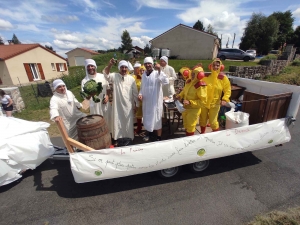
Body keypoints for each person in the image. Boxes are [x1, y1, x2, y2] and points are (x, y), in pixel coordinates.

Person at [103, 59, 139, 146]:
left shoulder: (131, 79)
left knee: (128, 122)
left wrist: (136, 104)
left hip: (128, 106)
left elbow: (135, 93)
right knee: (117, 121)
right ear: (119, 68)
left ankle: (129, 138)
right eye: (122, 67)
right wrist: (110, 65)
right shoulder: (114, 76)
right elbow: (106, 75)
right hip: (117, 106)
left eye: (125, 67)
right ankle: (119, 139)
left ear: (127, 68)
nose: (124, 69)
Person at [138, 57, 169, 141]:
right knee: (148, 118)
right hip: (146, 102)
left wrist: (159, 70)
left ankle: (159, 137)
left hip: (155, 102)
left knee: (157, 119)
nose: (148, 65)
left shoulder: (156, 73)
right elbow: (142, 87)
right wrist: (140, 94)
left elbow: (166, 82)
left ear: (152, 64)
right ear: (144, 65)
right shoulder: (144, 75)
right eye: (146, 63)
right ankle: (149, 134)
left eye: (149, 63)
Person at [199, 58, 231, 133]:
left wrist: (224, 99)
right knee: (202, 120)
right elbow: (195, 77)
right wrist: (198, 68)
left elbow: (227, 89)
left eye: (217, 65)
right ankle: (202, 133)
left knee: (213, 122)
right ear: (211, 66)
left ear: (221, 67)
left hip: (215, 103)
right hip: (204, 103)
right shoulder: (206, 76)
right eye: (214, 65)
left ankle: (216, 136)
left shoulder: (223, 78)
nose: (215, 67)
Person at [174, 67, 207, 136]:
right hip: (185, 108)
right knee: (186, 125)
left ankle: (190, 141)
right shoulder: (189, 82)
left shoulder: (200, 86)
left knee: (191, 127)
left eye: (194, 74)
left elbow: (203, 102)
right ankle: (187, 137)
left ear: (199, 75)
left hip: (193, 110)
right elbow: (184, 91)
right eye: (192, 73)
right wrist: (179, 96)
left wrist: (190, 102)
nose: (192, 75)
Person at [81, 59, 110, 129]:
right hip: (94, 106)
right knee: (97, 124)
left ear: (95, 67)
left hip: (104, 104)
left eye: (92, 66)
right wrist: (91, 94)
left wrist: (107, 96)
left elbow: (108, 88)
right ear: (86, 68)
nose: (90, 68)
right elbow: (85, 98)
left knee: (108, 121)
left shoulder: (102, 76)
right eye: (88, 66)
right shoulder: (84, 81)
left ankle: (110, 138)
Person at [132, 62, 143, 134]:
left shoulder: (144, 76)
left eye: (139, 69)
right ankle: (139, 127)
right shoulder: (132, 77)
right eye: (136, 69)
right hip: (137, 98)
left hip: (145, 98)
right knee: (138, 114)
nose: (138, 70)